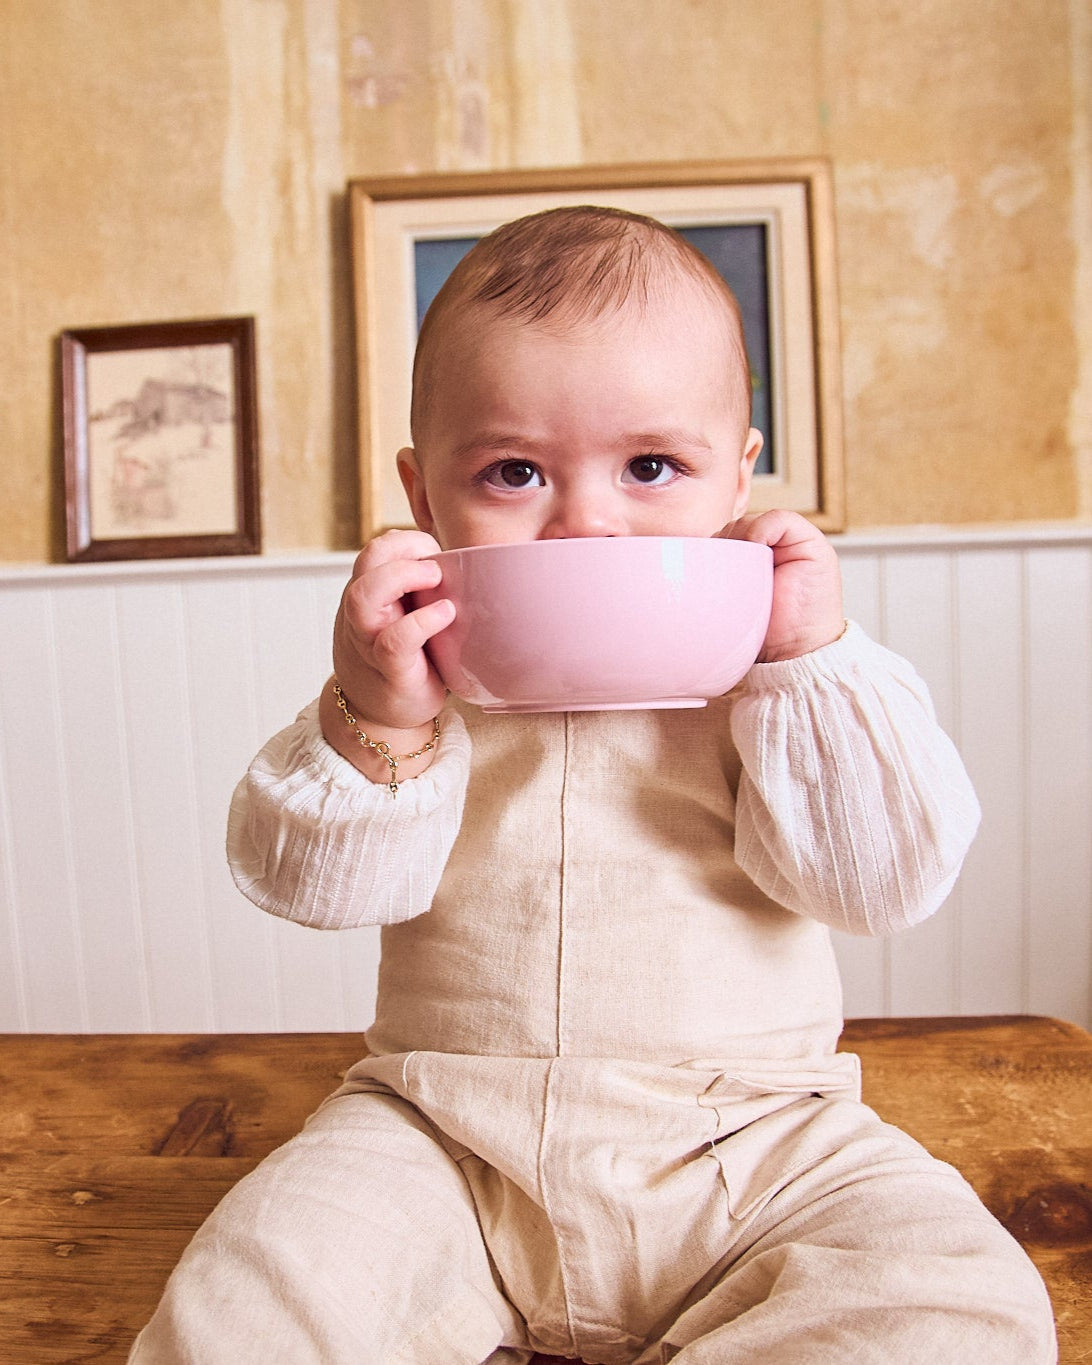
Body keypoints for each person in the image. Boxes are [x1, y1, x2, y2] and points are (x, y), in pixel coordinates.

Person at [130, 206, 1056, 1363]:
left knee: (963, 1310)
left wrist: (809, 664)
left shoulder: (775, 683)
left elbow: (885, 881)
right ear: (426, 503)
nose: (586, 525)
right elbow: (299, 882)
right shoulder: (419, 683)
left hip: (756, 1140)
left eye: (652, 467)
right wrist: (376, 712)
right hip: (442, 1137)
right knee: (249, 1299)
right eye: (514, 472)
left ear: (738, 479)